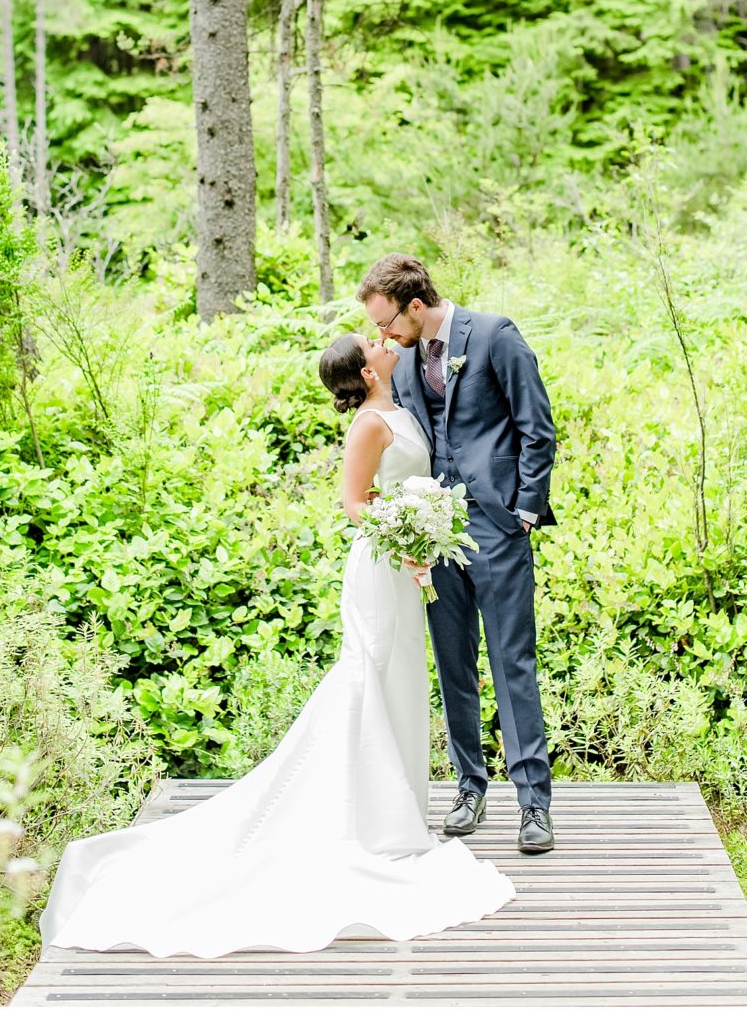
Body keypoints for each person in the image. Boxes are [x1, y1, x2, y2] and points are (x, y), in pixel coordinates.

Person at [39, 332, 514, 958]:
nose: (381, 341)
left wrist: (424, 531)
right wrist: (403, 531)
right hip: (379, 568)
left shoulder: (401, 408)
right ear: (367, 372)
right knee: (369, 675)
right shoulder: (369, 426)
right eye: (371, 344)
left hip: (405, 569)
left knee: (400, 680)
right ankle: (369, 817)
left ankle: (394, 804)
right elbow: (352, 503)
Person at [357, 253, 557, 855]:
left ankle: (534, 804)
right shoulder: (406, 359)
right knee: (453, 665)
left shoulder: (494, 336)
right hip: (433, 533)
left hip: (497, 527)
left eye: (387, 323)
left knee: (511, 661)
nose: (382, 337)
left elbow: (536, 426)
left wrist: (524, 510)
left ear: (415, 306)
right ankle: (470, 786)